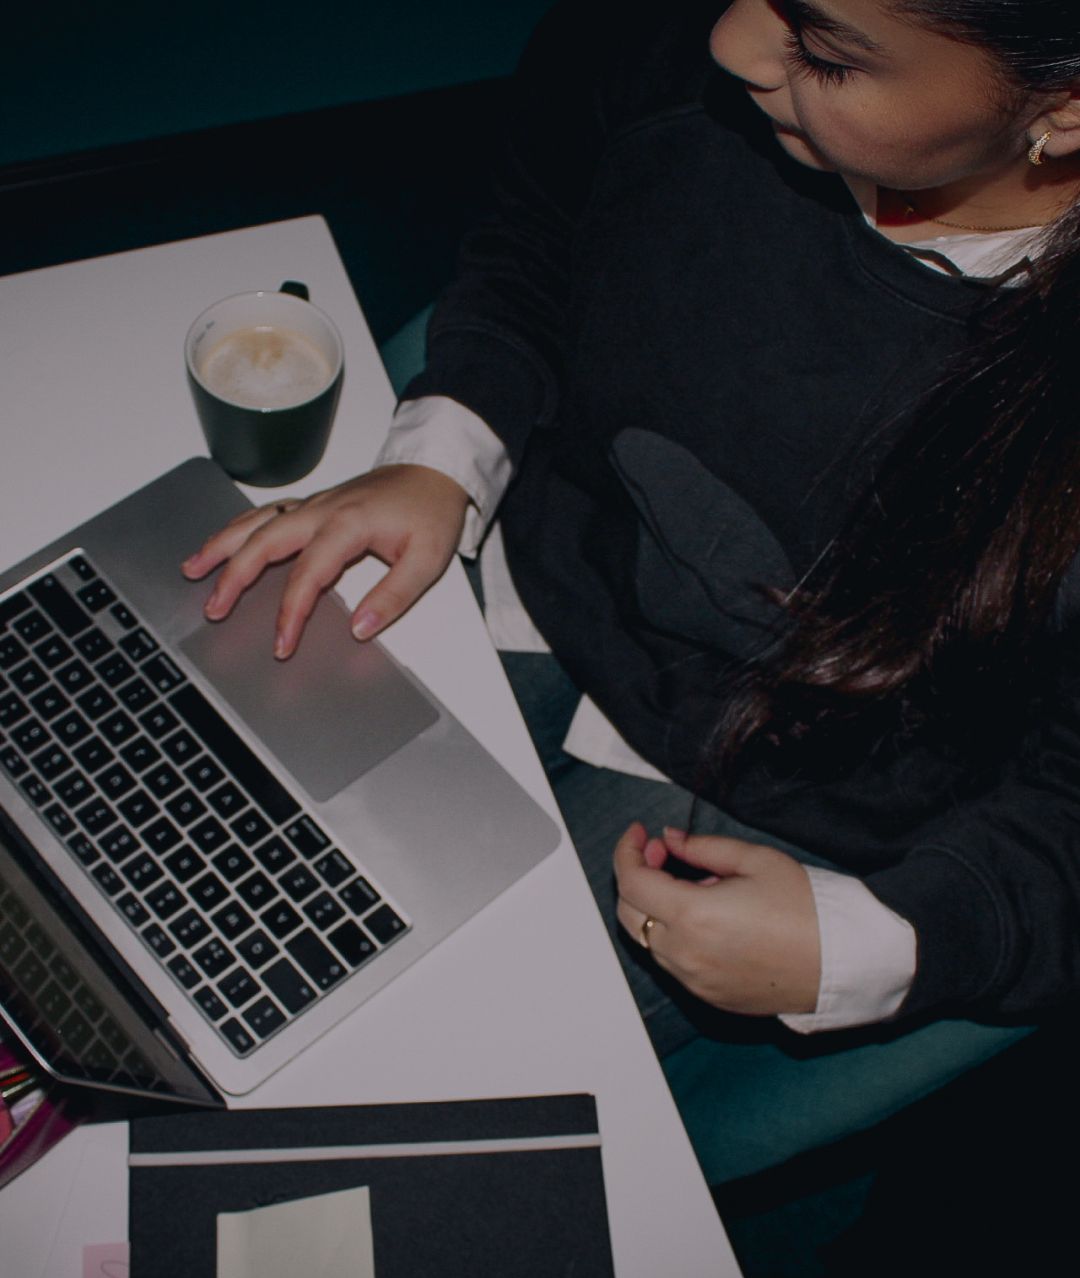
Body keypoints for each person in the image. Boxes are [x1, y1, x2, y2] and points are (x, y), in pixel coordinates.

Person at [182, 0, 1080, 1182]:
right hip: (542, 562)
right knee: (179, 868)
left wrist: (883, 941)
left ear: (1060, 111)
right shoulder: (684, 29)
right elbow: (543, 223)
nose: (731, 44)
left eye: (824, 50)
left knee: (358, 1139)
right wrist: (444, 448)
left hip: (803, 792)